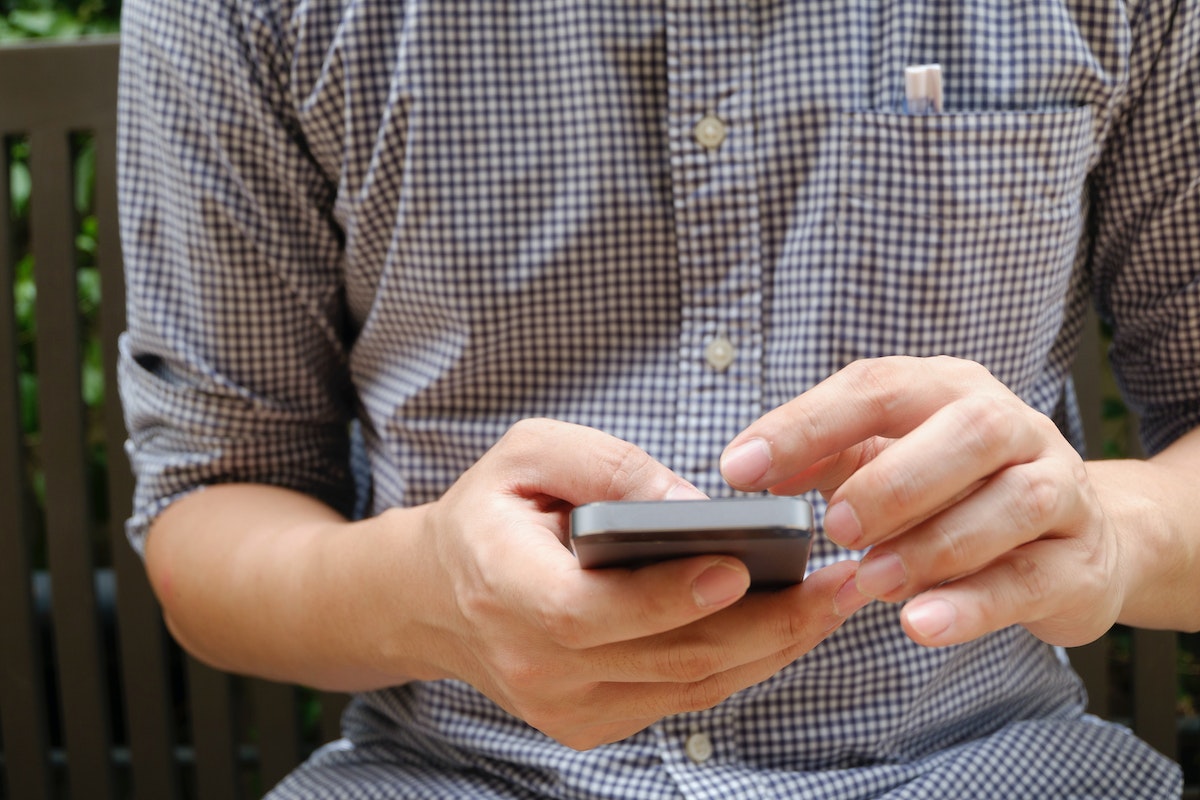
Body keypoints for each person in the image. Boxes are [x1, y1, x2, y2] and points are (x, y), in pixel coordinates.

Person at [116, 0, 1198, 796]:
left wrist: (1114, 533)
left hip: (987, 759)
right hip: (450, 768)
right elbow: (215, 505)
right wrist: (430, 591)